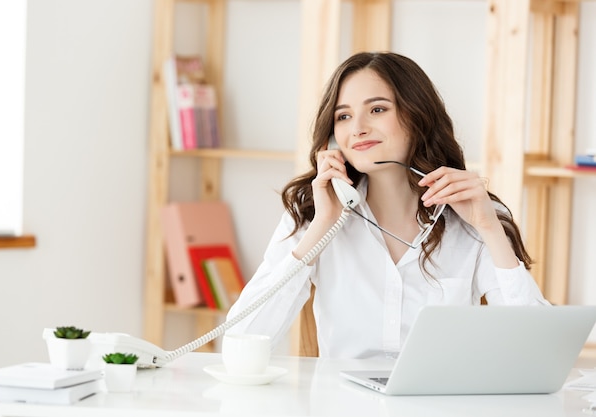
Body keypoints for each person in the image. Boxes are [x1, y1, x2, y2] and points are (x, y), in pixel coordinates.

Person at [226, 51, 549, 359]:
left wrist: (489, 229)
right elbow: (241, 341)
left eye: (377, 109)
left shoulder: (474, 215)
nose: (358, 128)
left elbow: (536, 350)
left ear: (417, 115)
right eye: (343, 116)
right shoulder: (314, 214)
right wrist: (321, 229)